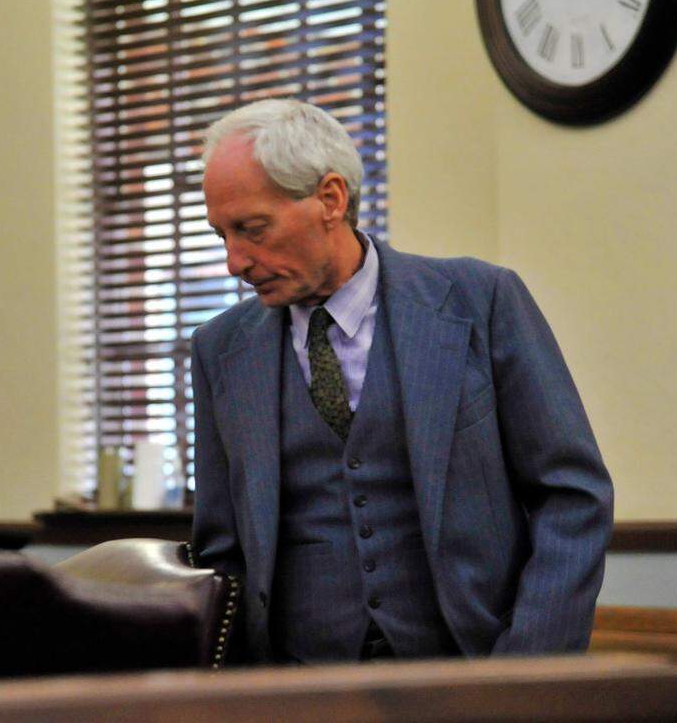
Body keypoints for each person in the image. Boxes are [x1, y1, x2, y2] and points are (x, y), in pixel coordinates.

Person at [189, 99, 614, 664]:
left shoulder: (479, 303)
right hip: (299, 688)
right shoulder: (221, 349)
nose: (234, 262)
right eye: (222, 235)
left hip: (471, 674)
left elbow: (573, 496)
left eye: (252, 229)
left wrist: (527, 670)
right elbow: (223, 550)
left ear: (330, 200)